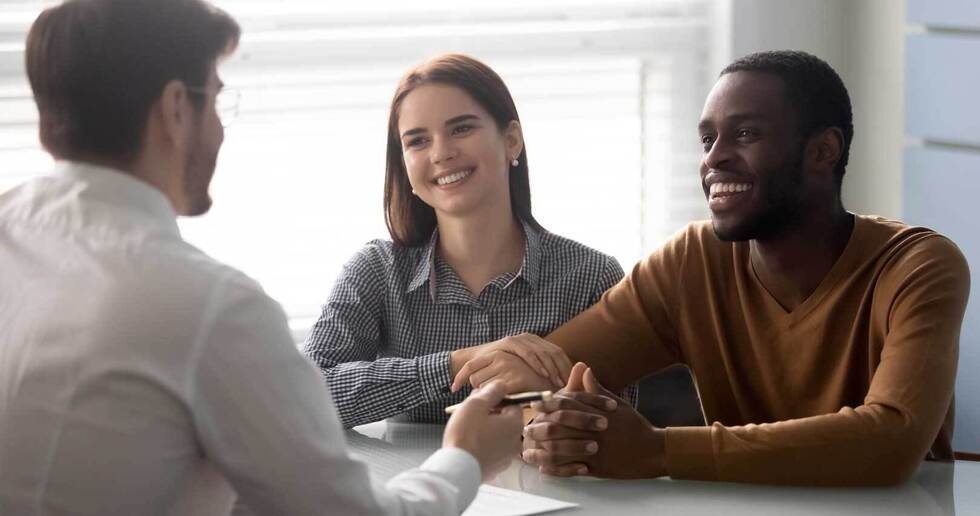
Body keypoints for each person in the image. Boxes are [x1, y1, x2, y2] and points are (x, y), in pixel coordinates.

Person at [0, 1, 522, 514]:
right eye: (218, 101)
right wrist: (465, 458)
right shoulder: (208, 306)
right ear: (177, 108)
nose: (221, 129)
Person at [520, 50, 970, 486]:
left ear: (823, 151)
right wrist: (558, 428)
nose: (713, 158)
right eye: (707, 139)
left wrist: (658, 450)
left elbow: (892, 439)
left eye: (746, 134)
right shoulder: (690, 261)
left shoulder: (918, 265)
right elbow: (538, 383)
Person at [302, 54, 628, 428]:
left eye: (461, 129)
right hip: (418, 487)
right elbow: (302, 395)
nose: (441, 153)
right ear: (405, 164)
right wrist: (458, 363)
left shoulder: (592, 276)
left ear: (511, 140)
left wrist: (548, 391)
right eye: (418, 141)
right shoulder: (376, 270)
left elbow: (623, 421)